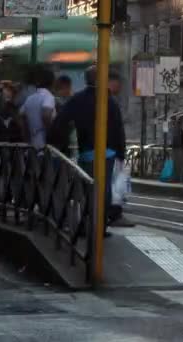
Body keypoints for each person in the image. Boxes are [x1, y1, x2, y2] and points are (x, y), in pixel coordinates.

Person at [49, 66, 133, 235]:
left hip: (86, 152)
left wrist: (57, 143)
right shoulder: (109, 101)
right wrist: (121, 154)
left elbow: (60, 122)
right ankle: (99, 228)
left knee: (86, 190)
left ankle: (84, 225)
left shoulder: (77, 99)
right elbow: (118, 129)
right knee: (104, 191)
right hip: (107, 154)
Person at [19, 68, 56, 149]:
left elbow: (22, 116)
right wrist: (51, 134)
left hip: (32, 143)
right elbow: (46, 115)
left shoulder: (29, 99)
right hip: (45, 144)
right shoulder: (48, 97)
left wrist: (26, 136)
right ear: (52, 83)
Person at [171, 117, 183, 183]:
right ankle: (178, 178)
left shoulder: (177, 129)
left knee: (177, 165)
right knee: (178, 165)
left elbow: (176, 139)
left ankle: (177, 178)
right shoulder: (180, 129)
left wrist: (173, 145)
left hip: (177, 148)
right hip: (178, 148)